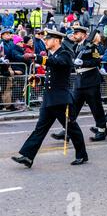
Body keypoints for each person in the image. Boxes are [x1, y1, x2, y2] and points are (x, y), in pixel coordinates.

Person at [12, 29, 88, 168]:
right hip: (49, 100)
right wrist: (38, 80)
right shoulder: (51, 55)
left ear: (57, 41)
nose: (45, 41)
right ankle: (28, 156)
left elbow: (57, 63)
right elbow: (51, 79)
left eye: (48, 39)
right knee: (39, 129)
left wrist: (37, 57)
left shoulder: (65, 54)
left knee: (71, 128)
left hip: (61, 100)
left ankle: (82, 155)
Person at [51, 27, 107, 142]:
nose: (74, 35)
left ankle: (102, 129)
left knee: (96, 107)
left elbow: (97, 62)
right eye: (74, 33)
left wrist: (83, 63)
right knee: (73, 108)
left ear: (84, 35)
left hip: (91, 81)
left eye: (77, 33)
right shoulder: (75, 47)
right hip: (79, 81)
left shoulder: (91, 47)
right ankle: (67, 131)